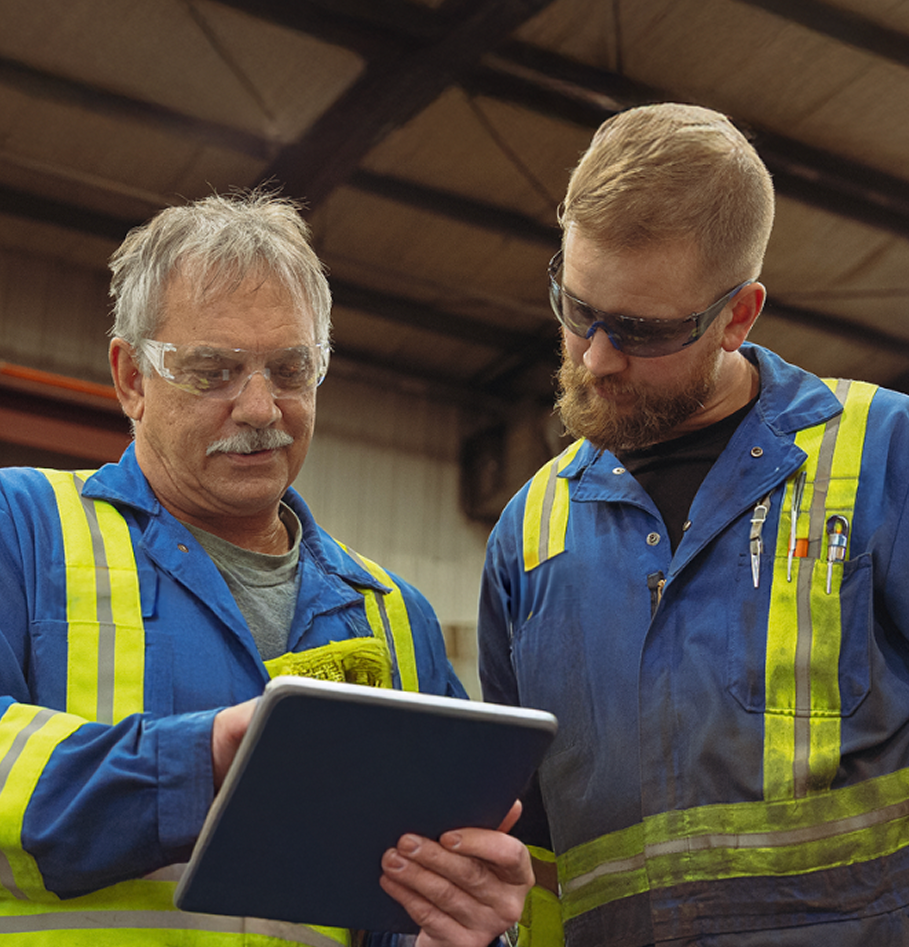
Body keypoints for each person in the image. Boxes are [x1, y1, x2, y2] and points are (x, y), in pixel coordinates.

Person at [0, 190, 532, 947]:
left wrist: (459, 924)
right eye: (212, 371)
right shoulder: (21, 531)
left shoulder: (388, 613)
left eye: (289, 368)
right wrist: (198, 759)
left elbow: (395, 897)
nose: (259, 407)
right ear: (130, 379)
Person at [478, 102, 909, 946]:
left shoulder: (895, 455)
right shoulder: (529, 534)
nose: (594, 355)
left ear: (739, 315)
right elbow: (529, 850)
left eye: (642, 330)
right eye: (577, 307)